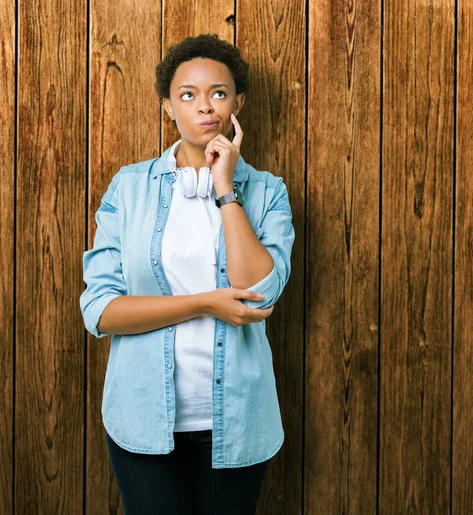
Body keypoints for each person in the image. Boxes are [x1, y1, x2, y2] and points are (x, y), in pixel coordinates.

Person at [80, 33, 295, 514]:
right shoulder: (129, 187)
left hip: (238, 423)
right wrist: (204, 302)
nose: (206, 107)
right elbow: (100, 309)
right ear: (167, 107)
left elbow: (259, 295)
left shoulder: (266, 192)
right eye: (188, 95)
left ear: (238, 102)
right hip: (142, 421)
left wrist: (225, 188)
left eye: (219, 93)